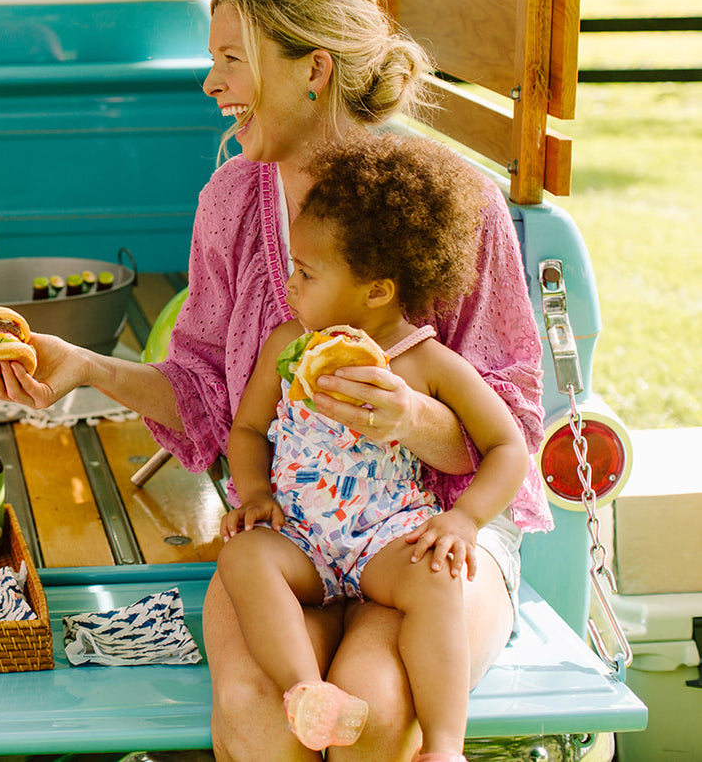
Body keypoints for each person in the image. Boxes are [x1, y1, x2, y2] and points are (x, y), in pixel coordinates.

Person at [0, 0, 553, 762]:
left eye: (230, 60)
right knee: (257, 714)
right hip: (296, 536)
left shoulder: (451, 202)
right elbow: (210, 396)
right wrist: (88, 367)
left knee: (373, 713)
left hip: (428, 543)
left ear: (311, 69)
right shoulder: (230, 202)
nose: (210, 85)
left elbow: (511, 427)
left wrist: (412, 416)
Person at [219, 135, 530, 762]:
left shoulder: (425, 363)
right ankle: (305, 691)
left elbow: (507, 446)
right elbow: (248, 431)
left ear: (377, 291)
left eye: (306, 273)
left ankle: (445, 744)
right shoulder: (291, 347)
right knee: (244, 560)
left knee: (438, 580)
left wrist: (465, 519)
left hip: (385, 540)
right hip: (301, 537)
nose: (290, 283)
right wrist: (254, 493)